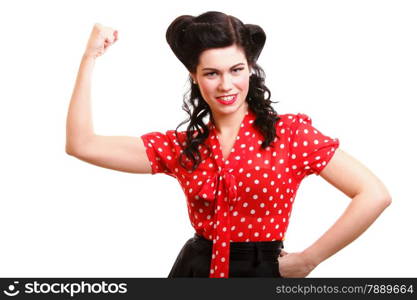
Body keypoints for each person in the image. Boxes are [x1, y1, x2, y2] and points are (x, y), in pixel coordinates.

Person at [65, 11, 392, 278]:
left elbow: (374, 194)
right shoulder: (184, 147)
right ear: (194, 75)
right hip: (194, 270)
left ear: (250, 67)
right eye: (211, 73)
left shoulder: (290, 135)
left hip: (263, 271)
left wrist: (309, 259)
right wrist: (89, 56)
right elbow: (82, 144)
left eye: (236, 70)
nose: (226, 85)